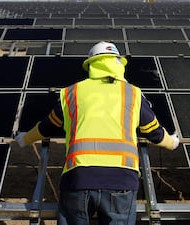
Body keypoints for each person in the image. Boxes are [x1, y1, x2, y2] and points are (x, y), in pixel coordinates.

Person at [14, 41, 179, 225]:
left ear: (91, 65)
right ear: (118, 63)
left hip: (78, 179)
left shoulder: (72, 92)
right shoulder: (132, 93)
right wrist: (171, 142)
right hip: (122, 181)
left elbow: (48, 126)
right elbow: (153, 131)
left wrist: (25, 139)